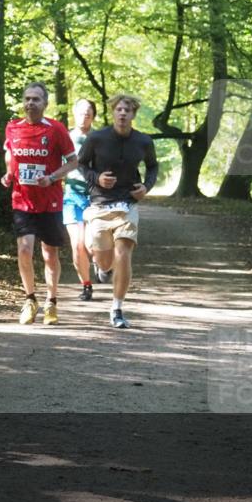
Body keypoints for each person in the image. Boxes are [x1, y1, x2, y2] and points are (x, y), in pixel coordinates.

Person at [76, 93, 159, 329]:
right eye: (119, 109)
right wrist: (97, 178)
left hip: (127, 204)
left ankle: (117, 308)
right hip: (100, 204)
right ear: (113, 112)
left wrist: (146, 187)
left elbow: (152, 167)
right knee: (104, 258)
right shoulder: (96, 138)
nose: (123, 113)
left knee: (124, 252)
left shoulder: (143, 141)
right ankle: (103, 267)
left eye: (127, 110)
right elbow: (82, 164)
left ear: (133, 115)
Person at [1, 83, 78, 326]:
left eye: (36, 99)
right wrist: (8, 174)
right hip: (22, 199)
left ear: (45, 103)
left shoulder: (55, 129)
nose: (31, 103)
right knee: (24, 249)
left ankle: (51, 301)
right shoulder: (13, 128)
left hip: (50, 201)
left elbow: (73, 161)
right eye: (27, 99)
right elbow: (9, 154)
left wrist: (53, 177)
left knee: (49, 254)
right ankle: (30, 299)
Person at [63, 98, 97, 301]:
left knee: (93, 245)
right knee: (77, 244)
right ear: (74, 113)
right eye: (81, 111)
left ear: (93, 115)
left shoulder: (102, 138)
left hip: (96, 197)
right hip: (72, 196)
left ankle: (101, 265)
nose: (85, 115)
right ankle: (86, 285)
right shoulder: (66, 138)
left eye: (89, 111)